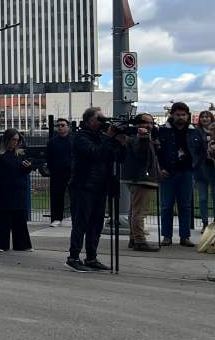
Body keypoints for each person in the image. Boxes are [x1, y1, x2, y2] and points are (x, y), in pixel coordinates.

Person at [67, 106, 126, 271]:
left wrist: (120, 143)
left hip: (101, 186)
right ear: (90, 121)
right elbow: (96, 154)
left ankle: (91, 257)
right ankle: (73, 257)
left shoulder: (102, 137)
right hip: (83, 185)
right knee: (81, 223)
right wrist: (109, 137)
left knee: (96, 225)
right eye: (100, 119)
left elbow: (119, 158)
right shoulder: (80, 137)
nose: (103, 122)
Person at [156, 101, 204, 247]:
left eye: (183, 114)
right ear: (172, 115)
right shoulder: (163, 130)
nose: (181, 117)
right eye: (178, 114)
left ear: (187, 115)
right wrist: (160, 168)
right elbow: (157, 152)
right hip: (167, 172)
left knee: (185, 206)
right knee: (166, 206)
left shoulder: (194, 131)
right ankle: (167, 236)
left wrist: (195, 166)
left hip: (187, 172)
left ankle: (185, 236)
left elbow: (201, 152)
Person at [0, 128, 34, 252]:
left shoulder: (20, 154)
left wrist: (28, 167)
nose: (15, 142)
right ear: (7, 139)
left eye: (17, 140)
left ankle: (22, 245)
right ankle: (2, 244)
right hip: (4, 189)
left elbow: (24, 171)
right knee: (4, 217)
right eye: (13, 139)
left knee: (19, 217)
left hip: (18, 188)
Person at [122, 113, 160, 253]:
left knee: (134, 210)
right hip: (141, 178)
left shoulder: (145, 137)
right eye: (145, 122)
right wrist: (144, 137)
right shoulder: (135, 138)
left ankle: (134, 238)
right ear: (138, 124)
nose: (149, 126)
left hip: (140, 177)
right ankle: (139, 240)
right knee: (140, 211)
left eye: (151, 123)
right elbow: (141, 153)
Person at [46, 119, 73, 226]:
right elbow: (49, 158)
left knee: (75, 196)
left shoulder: (74, 140)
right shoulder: (52, 142)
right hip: (57, 173)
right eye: (58, 125)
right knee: (57, 196)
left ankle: (76, 218)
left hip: (72, 172)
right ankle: (56, 219)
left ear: (68, 127)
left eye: (62, 125)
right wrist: (52, 169)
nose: (60, 127)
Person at [196, 109, 214, 230]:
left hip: (212, 168)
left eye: (207, 116)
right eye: (203, 117)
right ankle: (205, 222)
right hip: (200, 168)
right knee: (202, 198)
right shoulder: (196, 132)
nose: (205, 118)